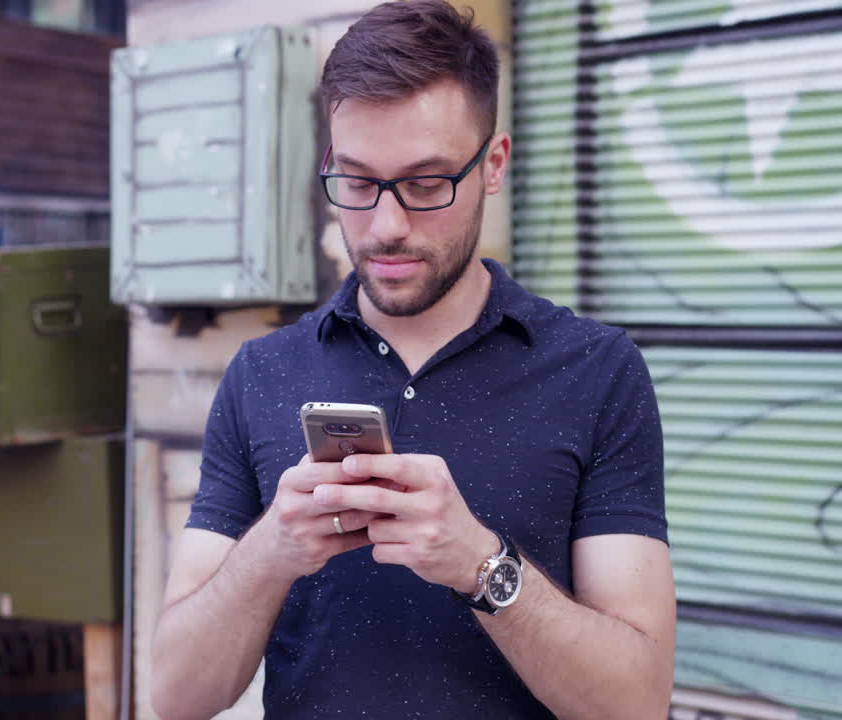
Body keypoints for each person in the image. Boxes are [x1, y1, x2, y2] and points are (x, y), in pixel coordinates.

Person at [149, 1, 677, 718]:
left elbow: (637, 703)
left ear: (492, 166)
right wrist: (272, 547)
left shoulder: (597, 372)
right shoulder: (260, 374)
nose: (387, 226)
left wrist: (483, 566)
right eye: (359, 183)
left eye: (427, 184)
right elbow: (175, 696)